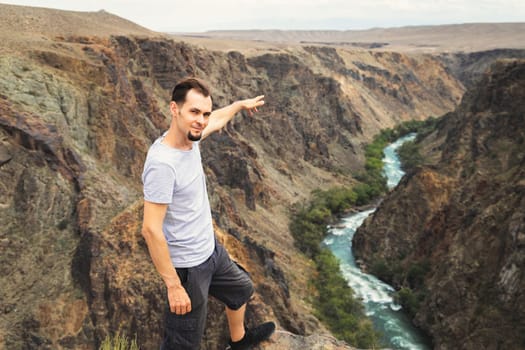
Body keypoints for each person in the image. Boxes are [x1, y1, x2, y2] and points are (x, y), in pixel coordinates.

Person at [141, 77, 275, 350]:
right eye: (194, 112)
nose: (201, 120)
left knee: (240, 290)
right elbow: (150, 229)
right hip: (188, 269)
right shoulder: (162, 164)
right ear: (174, 109)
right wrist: (174, 286)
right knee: (183, 343)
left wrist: (238, 105)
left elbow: (217, 120)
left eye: (204, 113)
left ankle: (238, 342)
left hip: (210, 251)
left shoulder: (192, 137)